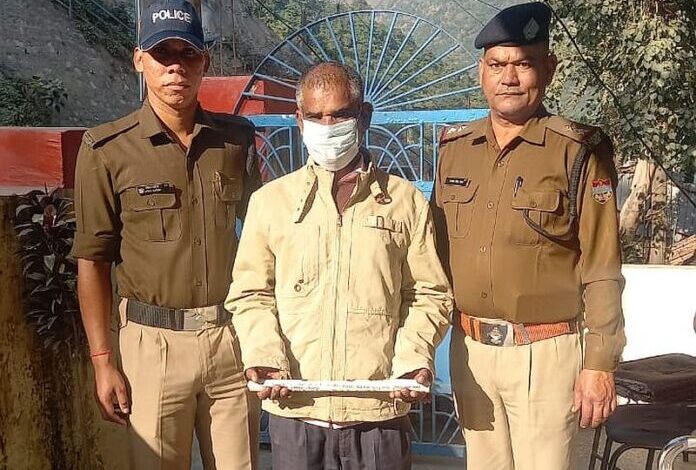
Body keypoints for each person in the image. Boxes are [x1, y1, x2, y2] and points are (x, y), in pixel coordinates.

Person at [225, 62, 452, 470]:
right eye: (315, 116)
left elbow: (428, 293)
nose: (327, 127)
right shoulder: (271, 202)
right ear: (299, 121)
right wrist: (265, 355)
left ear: (363, 116)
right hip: (297, 411)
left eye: (339, 115)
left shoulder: (404, 202)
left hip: (379, 414)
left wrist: (413, 360)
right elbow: (250, 293)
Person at [431, 3, 626, 469]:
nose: (509, 78)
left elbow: (602, 265)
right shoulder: (455, 150)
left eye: (523, 64)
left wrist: (600, 363)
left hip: (546, 354)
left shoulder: (577, 150)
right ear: (481, 72)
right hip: (471, 352)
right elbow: (431, 255)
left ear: (549, 68)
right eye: (497, 65)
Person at [71, 1, 261, 468]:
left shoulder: (235, 142)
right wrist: (103, 361)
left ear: (205, 63)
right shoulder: (106, 150)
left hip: (229, 340)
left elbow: (266, 236)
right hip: (151, 346)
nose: (176, 67)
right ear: (139, 60)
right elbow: (92, 260)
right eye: (162, 54)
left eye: (188, 53)